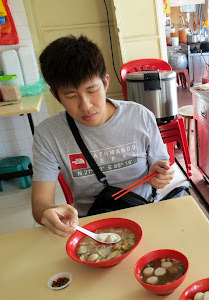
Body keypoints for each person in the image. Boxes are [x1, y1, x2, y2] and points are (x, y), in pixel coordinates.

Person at [31, 35, 174, 238]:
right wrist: (47, 213)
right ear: (55, 95)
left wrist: (160, 175)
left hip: (147, 210)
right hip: (92, 225)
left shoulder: (140, 115)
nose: (86, 105)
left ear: (105, 82)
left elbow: (161, 166)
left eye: (92, 90)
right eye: (71, 96)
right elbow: (40, 203)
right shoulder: (48, 134)